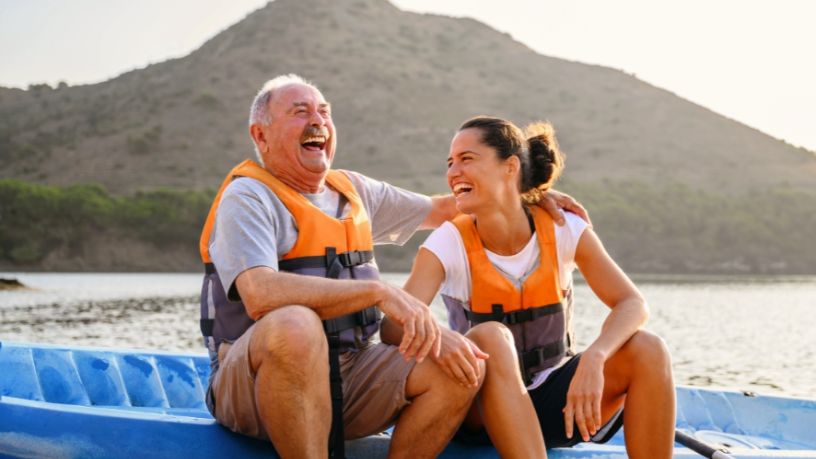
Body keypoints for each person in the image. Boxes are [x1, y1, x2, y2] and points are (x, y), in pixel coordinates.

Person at [197, 75, 588, 458]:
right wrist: (378, 292)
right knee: (295, 324)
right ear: (261, 135)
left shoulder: (355, 192)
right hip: (253, 387)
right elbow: (260, 294)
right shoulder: (247, 197)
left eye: (324, 112)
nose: (317, 121)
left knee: (459, 363)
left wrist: (520, 191)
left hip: (349, 375)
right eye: (300, 112)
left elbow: (445, 208)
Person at [387, 116, 675, 458]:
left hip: (555, 407)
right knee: (491, 335)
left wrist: (596, 356)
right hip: (477, 413)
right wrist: (442, 340)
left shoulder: (563, 226)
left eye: (467, 159)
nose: (453, 172)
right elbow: (392, 326)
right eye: (450, 163)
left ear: (509, 167)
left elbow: (632, 302)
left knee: (649, 348)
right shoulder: (448, 242)